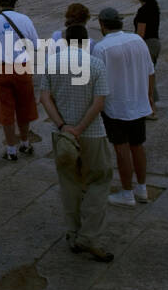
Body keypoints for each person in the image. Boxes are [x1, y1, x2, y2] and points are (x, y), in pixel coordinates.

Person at [38, 24, 113, 262]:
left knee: (69, 182)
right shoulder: (96, 63)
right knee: (98, 181)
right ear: (85, 41)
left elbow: (45, 98)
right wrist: (80, 128)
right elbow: (99, 103)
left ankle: (73, 233)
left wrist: (63, 126)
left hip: (62, 136)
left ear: (65, 40)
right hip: (91, 134)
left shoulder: (52, 63)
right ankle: (89, 236)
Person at [95, 6, 154, 208]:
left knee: (121, 150)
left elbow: (97, 81)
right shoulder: (137, 40)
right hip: (138, 102)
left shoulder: (101, 48)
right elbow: (150, 71)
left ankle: (127, 193)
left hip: (116, 106)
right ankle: (142, 189)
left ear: (102, 25)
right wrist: (149, 97)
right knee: (138, 146)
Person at [0, 0, 40, 160]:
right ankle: (25, 143)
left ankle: (11, 149)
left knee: (5, 108)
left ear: (0, 3)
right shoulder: (25, 20)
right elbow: (35, 44)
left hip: (0, 68)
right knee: (24, 106)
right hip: (22, 68)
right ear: (16, 3)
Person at [130, 0, 161, 118]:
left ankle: (151, 109)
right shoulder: (153, 6)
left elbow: (140, 34)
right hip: (155, 43)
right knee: (150, 74)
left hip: (147, 45)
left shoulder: (143, 11)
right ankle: (151, 105)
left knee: (144, 76)